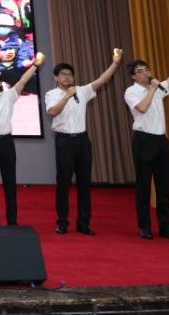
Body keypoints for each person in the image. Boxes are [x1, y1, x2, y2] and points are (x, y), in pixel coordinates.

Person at [44, 48, 124, 235]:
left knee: (84, 183)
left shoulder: (82, 90)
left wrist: (115, 63)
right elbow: (53, 112)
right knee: (63, 183)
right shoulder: (51, 94)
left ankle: (84, 223)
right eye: (64, 74)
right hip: (64, 141)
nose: (68, 77)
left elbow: (101, 80)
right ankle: (62, 222)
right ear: (56, 78)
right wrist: (67, 96)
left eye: (70, 75)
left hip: (82, 141)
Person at [124, 53, 169, 240]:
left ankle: (165, 227)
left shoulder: (157, 87)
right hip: (143, 140)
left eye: (147, 70)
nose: (145, 73)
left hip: (161, 141)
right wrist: (152, 89)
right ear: (133, 76)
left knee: (164, 186)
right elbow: (142, 108)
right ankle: (145, 227)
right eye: (140, 71)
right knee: (144, 186)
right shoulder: (131, 92)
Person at [0, 53, 43, 226]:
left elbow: (23, 80)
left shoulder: (9, 96)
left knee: (10, 183)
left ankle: (12, 221)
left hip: (7, 143)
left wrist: (35, 65)